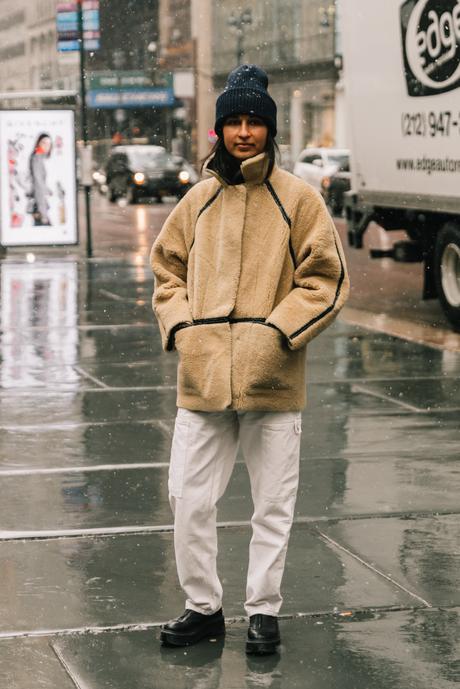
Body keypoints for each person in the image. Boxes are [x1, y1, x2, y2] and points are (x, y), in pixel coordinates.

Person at [150, 64, 350, 655]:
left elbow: (326, 281)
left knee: (273, 505)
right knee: (188, 497)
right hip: (203, 376)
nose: (243, 132)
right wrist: (185, 330)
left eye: (253, 122)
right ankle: (203, 607)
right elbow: (167, 270)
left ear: (269, 130)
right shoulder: (198, 201)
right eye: (233, 122)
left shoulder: (298, 199)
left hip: (273, 379)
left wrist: (275, 335)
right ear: (218, 131)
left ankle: (263, 611)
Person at [27, 133, 53, 226]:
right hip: (39, 204)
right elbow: (38, 183)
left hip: (38, 203)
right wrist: (44, 214)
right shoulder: (37, 157)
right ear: (38, 143)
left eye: (49, 144)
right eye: (44, 143)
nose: (46, 146)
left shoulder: (40, 157)